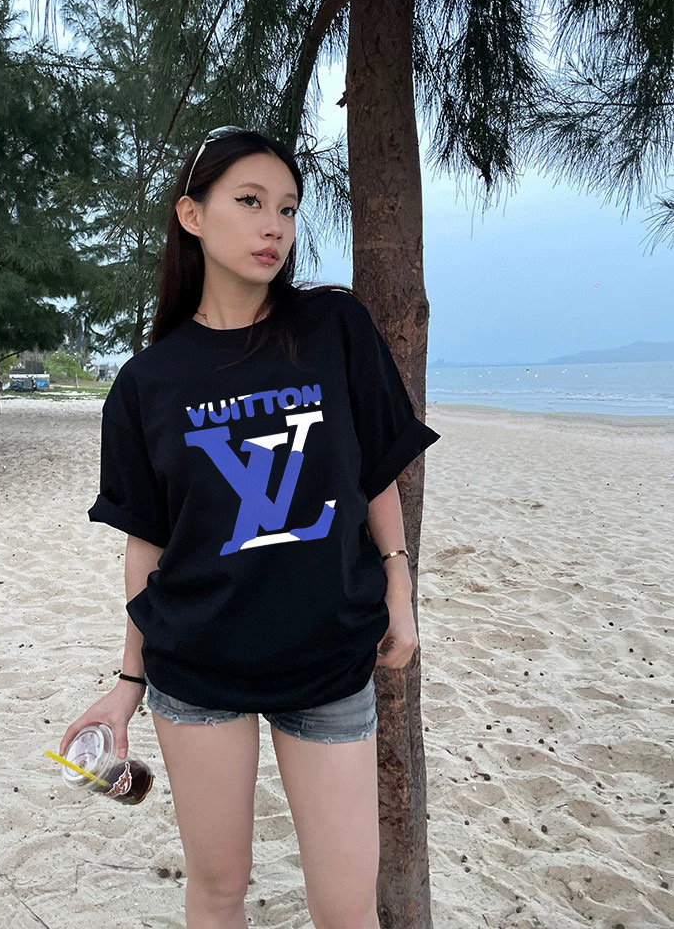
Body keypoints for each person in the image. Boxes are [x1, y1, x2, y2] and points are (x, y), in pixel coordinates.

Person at [59, 126, 440, 929]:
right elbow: (147, 543)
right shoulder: (147, 383)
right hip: (197, 668)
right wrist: (128, 680)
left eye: (289, 209)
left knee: (346, 908)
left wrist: (399, 587)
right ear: (192, 216)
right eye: (251, 202)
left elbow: (375, 467)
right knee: (219, 888)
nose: (275, 226)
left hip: (329, 659)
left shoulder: (334, 328)